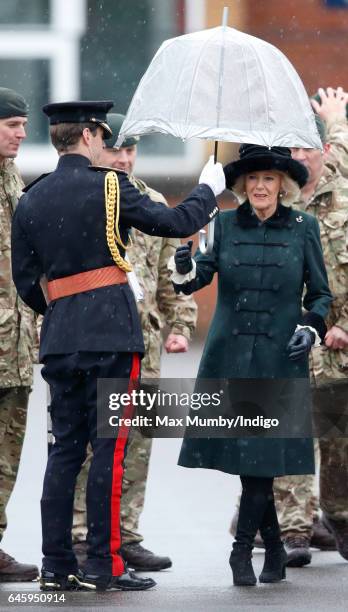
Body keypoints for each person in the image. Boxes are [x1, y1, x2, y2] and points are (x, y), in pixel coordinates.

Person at [10, 100, 224, 592]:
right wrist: (209, 190)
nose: (108, 147)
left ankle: (57, 564)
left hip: (61, 338)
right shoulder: (111, 186)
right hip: (110, 335)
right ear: (87, 136)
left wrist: (64, 311)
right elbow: (172, 224)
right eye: (103, 138)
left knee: (63, 451)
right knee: (110, 448)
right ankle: (105, 565)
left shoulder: (32, 196)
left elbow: (26, 281)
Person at [170, 144, 332, 586]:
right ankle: (274, 550)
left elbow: (320, 295)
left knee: (260, 456)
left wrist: (311, 328)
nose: (260, 187)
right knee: (250, 456)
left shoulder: (305, 228)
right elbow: (193, 281)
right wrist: (183, 264)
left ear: (284, 185)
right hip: (230, 358)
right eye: (253, 180)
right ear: (242, 186)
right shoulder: (221, 225)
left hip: (281, 358)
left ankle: (242, 550)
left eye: (270, 179)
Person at [72, 113, 198, 571]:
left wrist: (181, 326)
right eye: (115, 150)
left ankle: (126, 534)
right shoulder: (82, 197)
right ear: (95, 148)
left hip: (143, 351)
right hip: (95, 344)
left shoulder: (151, 202)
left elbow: (173, 283)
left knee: (137, 446)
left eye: (131, 151)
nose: (124, 159)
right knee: (90, 445)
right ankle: (85, 536)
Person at [271, 111, 348, 566]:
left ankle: (338, 518)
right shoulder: (276, 205)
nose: (300, 157)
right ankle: (294, 531)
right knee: (289, 433)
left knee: (338, 441)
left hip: (337, 347)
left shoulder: (344, 201)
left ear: (325, 151)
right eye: (292, 149)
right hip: (287, 344)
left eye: (307, 148)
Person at [0, 87, 39, 582]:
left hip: (17, 347)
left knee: (7, 452)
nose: (22, 133)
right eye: (12, 123)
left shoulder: (15, 180)